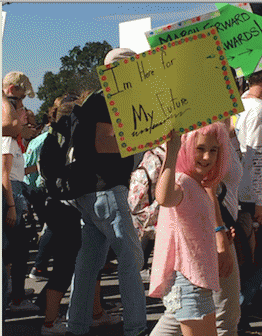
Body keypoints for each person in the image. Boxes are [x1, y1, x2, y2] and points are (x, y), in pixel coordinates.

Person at [66, 48, 147, 336]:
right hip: (107, 191)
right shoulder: (106, 99)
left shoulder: (97, 99)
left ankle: (75, 326)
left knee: (88, 265)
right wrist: (143, 139)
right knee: (131, 259)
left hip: (91, 193)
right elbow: (104, 143)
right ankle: (136, 328)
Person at [149, 122, 232, 336]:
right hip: (189, 283)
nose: (207, 157)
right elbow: (164, 197)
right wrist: (172, 151)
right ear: (187, 148)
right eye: (200, 148)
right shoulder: (182, 181)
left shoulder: (197, 185)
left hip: (194, 282)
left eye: (213, 150)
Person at [2, 96, 39, 312]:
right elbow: (4, 175)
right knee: (16, 250)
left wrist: (33, 170)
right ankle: (13, 298)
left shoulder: (14, 140)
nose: (24, 114)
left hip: (16, 192)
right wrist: (11, 206)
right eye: (20, 110)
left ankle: (13, 294)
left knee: (15, 250)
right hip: (11, 195)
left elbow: (15, 172)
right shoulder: (7, 139)